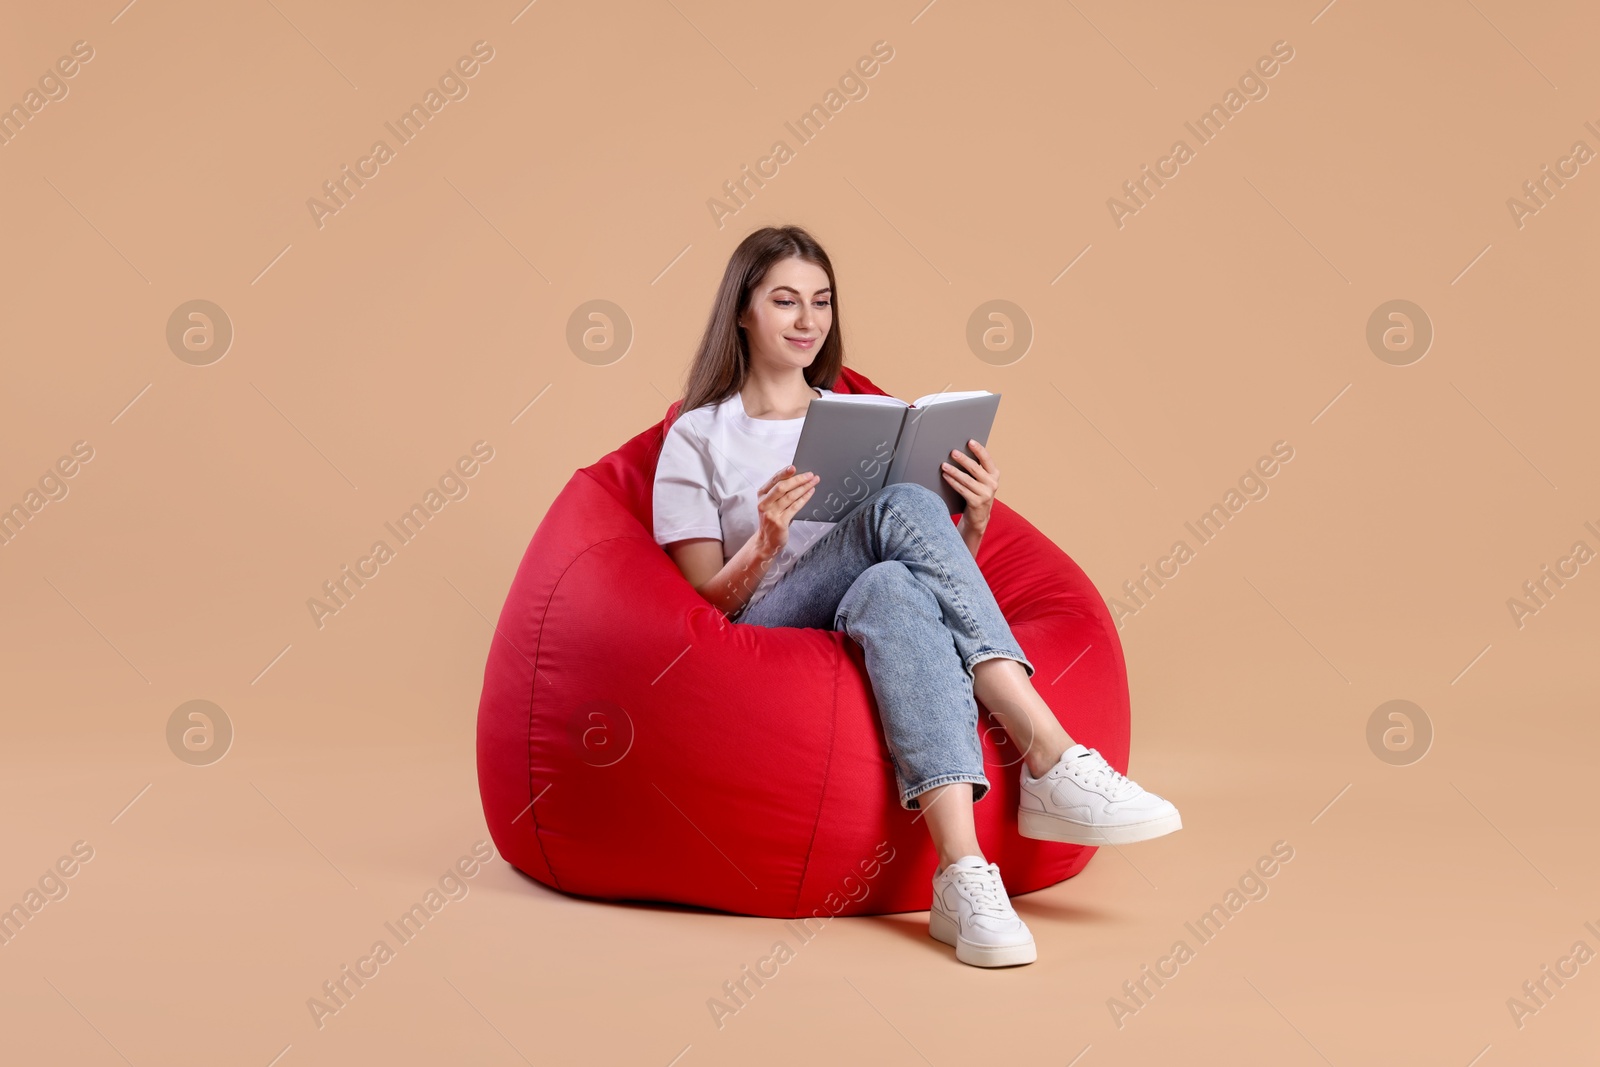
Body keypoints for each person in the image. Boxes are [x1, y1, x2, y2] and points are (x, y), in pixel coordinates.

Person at [651, 225, 1181, 968]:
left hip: (862, 596)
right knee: (895, 506)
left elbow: (931, 578)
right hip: (768, 624)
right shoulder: (699, 436)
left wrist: (975, 520)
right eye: (784, 301)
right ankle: (1050, 753)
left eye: (822, 302)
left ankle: (961, 875)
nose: (808, 321)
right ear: (741, 312)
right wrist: (766, 541)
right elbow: (703, 605)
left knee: (893, 583)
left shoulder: (852, 414)